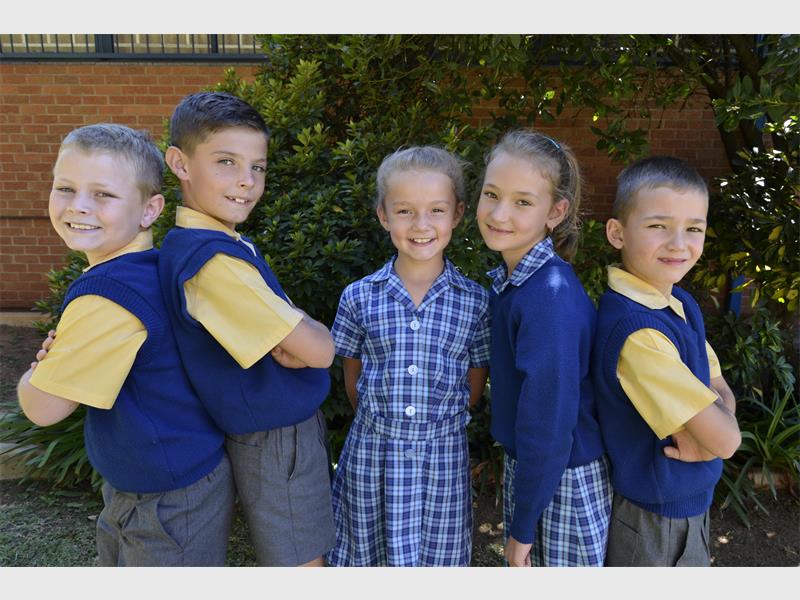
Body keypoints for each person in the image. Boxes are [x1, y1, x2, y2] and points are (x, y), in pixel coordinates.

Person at [17, 123, 233, 566]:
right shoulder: (150, 268)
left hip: (164, 501)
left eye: (103, 194)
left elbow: (43, 408)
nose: (79, 205)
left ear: (149, 209)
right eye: (65, 188)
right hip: (173, 477)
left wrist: (37, 373)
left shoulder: (107, 295)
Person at [158, 91, 336, 567]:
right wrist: (314, 333)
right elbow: (320, 351)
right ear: (179, 163)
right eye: (226, 162)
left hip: (265, 430)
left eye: (257, 167)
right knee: (302, 562)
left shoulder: (207, 241)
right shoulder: (215, 263)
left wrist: (298, 327)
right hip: (277, 436)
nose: (247, 181)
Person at [327, 146, 491, 567]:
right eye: (405, 211)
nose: (421, 225)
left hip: (443, 461)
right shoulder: (359, 297)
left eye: (436, 210)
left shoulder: (475, 302)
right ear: (383, 215)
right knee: (366, 558)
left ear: (457, 214)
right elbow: (353, 379)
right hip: (372, 457)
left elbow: (473, 384)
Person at [593, 155, 740, 567]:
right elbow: (728, 441)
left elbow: (718, 385)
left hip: (687, 502)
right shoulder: (638, 333)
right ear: (617, 233)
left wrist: (710, 435)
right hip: (653, 520)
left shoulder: (679, 302)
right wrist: (716, 435)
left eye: (694, 228)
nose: (679, 243)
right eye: (658, 225)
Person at [477, 129, 611, 567]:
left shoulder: (547, 296)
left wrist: (521, 529)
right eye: (491, 194)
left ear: (555, 212)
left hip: (563, 478)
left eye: (522, 202)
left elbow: (549, 423)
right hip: (542, 471)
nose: (499, 213)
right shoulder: (519, 284)